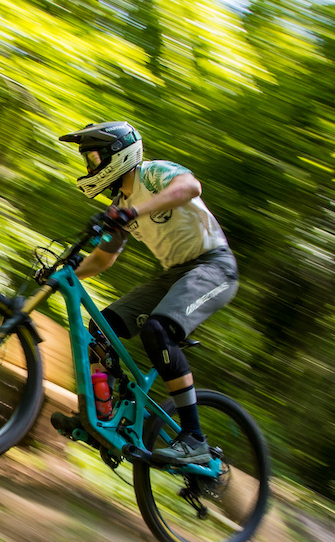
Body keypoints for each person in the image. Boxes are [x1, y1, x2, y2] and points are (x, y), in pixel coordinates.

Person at [55, 121, 238, 465]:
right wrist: (65, 274)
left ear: (118, 154)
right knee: (100, 331)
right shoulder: (121, 203)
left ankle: (194, 438)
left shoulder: (152, 174)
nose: (90, 168)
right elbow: (103, 258)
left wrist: (134, 211)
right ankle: (104, 418)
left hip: (215, 267)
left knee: (157, 329)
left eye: (94, 159)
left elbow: (191, 187)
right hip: (175, 275)